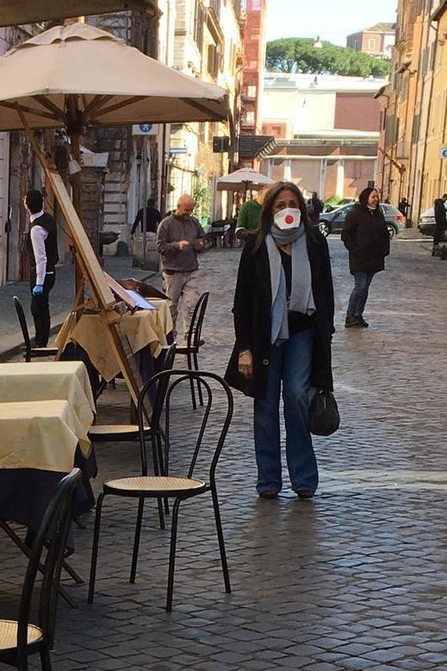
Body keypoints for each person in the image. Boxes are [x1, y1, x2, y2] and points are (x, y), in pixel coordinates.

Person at [226, 181, 334, 502]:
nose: (287, 209)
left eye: (292, 203)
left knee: (298, 397)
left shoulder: (315, 243)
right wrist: (244, 346)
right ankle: (268, 480)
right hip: (265, 338)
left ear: (301, 207)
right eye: (280, 204)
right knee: (266, 403)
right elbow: (241, 301)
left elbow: (325, 292)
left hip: (303, 334)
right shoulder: (257, 246)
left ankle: (303, 479)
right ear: (270, 210)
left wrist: (325, 335)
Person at [155, 193, 206, 343]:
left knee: (191, 304)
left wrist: (200, 244)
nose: (188, 214)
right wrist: (176, 246)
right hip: (172, 272)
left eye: (191, 210)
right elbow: (160, 247)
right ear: (178, 207)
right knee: (171, 307)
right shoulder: (166, 224)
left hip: (191, 269)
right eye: (186, 210)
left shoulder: (194, 222)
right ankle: (170, 337)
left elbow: (202, 238)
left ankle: (190, 337)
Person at [341, 186, 390, 328]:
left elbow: (384, 234)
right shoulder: (355, 214)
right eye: (373, 196)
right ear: (366, 198)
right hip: (359, 257)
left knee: (365, 287)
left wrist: (385, 250)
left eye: (377, 197)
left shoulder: (378, 214)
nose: (376, 199)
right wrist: (355, 249)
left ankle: (358, 314)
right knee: (360, 285)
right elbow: (346, 234)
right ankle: (350, 315)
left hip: (374, 258)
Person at [24, 188, 59, 347]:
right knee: (36, 306)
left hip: (42, 273)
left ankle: (41, 342)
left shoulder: (36, 229)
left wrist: (39, 282)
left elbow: (40, 258)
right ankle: (40, 339)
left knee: (40, 308)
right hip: (50, 271)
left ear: (27, 205)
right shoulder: (48, 219)